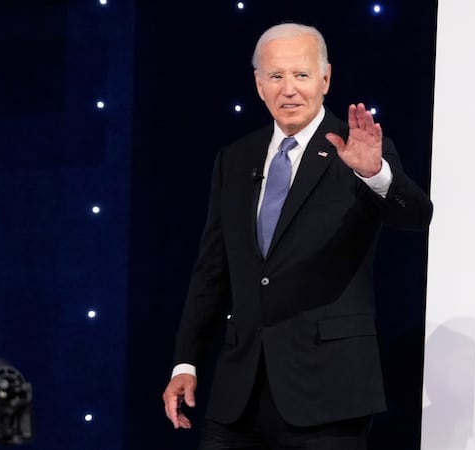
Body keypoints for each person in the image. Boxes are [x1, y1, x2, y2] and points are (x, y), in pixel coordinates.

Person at [162, 22, 433, 449]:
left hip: (328, 395)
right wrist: (186, 362)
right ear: (258, 84)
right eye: (276, 76)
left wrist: (375, 174)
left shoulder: (358, 150)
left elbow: (417, 216)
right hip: (238, 397)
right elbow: (212, 272)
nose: (288, 89)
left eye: (301, 75)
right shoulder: (234, 159)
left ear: (325, 79)